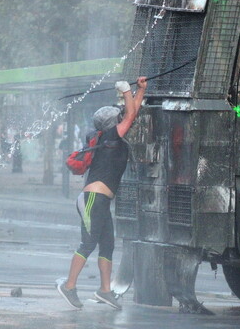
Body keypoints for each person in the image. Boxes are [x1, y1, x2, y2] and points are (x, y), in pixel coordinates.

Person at [57, 77, 147, 310]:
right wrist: (127, 90)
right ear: (111, 124)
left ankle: (105, 291)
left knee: (107, 246)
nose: (123, 119)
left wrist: (140, 90)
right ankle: (69, 286)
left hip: (102, 202)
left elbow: (131, 114)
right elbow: (129, 116)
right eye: (117, 119)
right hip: (92, 200)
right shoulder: (110, 137)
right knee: (87, 244)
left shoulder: (111, 138)